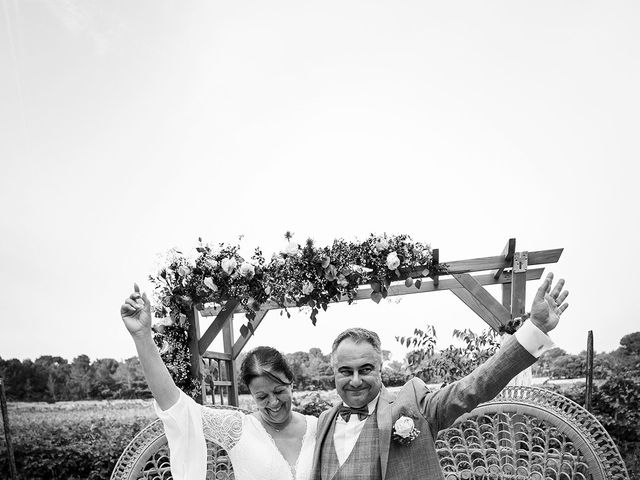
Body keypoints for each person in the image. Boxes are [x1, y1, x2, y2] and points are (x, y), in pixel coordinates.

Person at [311, 272, 569, 480]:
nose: (355, 380)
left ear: (380, 370)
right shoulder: (323, 421)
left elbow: (474, 387)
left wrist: (534, 329)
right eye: (345, 371)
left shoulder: (413, 407)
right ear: (333, 373)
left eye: (365, 369)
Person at [120, 284, 317, 480]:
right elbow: (177, 406)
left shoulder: (318, 427)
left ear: (291, 382)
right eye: (262, 396)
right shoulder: (238, 429)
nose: (273, 402)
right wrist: (143, 337)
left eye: (279, 391)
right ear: (250, 393)